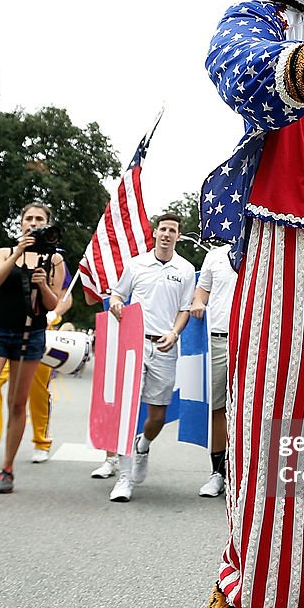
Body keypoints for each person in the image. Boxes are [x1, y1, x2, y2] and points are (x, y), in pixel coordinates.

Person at [98, 213, 196, 502]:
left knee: (157, 416)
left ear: (178, 236)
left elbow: (185, 309)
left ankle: (144, 445)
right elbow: (117, 295)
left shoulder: (186, 269)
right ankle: (124, 478)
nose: (167, 234)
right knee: (128, 413)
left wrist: (175, 333)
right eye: (163, 229)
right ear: (155, 233)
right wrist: (116, 305)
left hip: (164, 346)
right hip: (134, 343)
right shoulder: (136, 264)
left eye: (173, 230)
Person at [0, 203, 67, 494]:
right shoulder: (3, 252)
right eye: (29, 219)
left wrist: (43, 285)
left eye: (39, 219)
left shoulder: (54, 259)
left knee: (17, 402)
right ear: (21, 222)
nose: (33, 223)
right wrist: (17, 253)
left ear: (47, 224)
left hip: (32, 333)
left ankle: (7, 468)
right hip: (0, 332)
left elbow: (53, 304)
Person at [190, 244, 238, 497]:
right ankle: (218, 472)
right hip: (219, 338)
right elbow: (202, 292)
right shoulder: (215, 255)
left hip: (253, 339)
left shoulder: (263, 247)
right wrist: (198, 303)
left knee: (247, 410)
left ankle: (243, 474)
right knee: (217, 408)